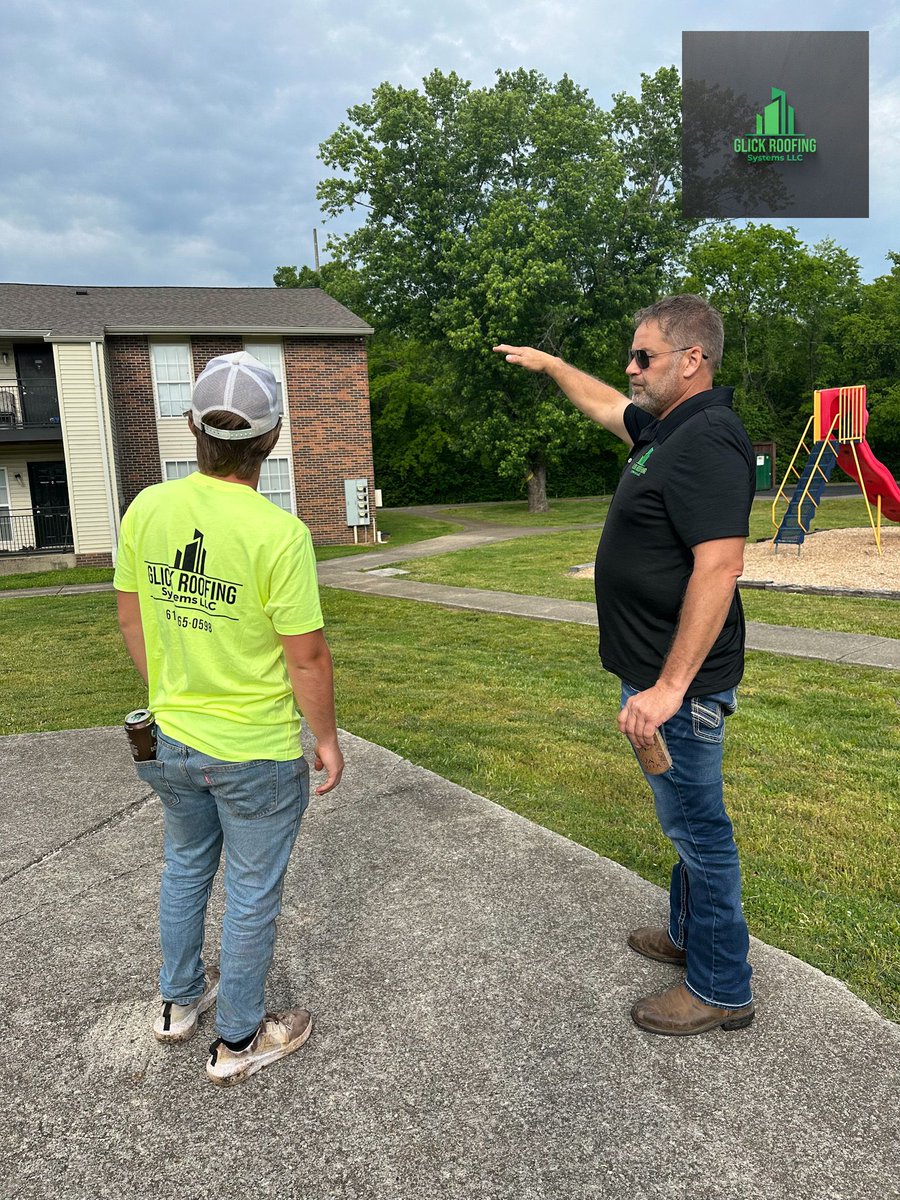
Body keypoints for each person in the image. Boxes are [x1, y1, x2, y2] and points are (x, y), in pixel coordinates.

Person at [494, 294, 756, 1036]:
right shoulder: (665, 429)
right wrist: (549, 365)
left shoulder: (708, 437)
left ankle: (722, 986)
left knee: (700, 832)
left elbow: (720, 566)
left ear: (692, 359)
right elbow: (608, 405)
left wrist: (670, 688)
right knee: (683, 826)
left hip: (683, 690)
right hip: (653, 677)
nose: (631, 368)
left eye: (644, 356)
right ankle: (688, 934)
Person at [114, 350, 344, 1085]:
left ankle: (178, 1004)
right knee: (250, 891)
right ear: (270, 440)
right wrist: (329, 740)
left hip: (167, 741)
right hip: (253, 752)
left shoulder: (147, 507)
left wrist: (175, 690)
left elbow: (132, 617)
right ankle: (240, 1040)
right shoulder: (279, 534)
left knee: (184, 866)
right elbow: (306, 657)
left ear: (192, 427)